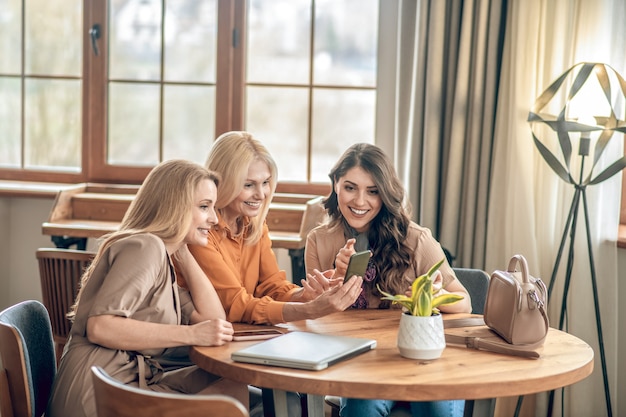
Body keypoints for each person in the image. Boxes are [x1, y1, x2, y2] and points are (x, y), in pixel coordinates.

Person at [46, 159, 249, 417]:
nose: (214, 218)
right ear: (174, 207)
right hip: (97, 394)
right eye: (204, 207)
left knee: (235, 386)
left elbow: (214, 322)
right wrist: (192, 335)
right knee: (233, 397)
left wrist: (183, 251)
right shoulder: (146, 248)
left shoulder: (164, 257)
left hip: (126, 383)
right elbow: (101, 326)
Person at [305, 143, 471, 417]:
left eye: (372, 191)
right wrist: (336, 277)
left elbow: (464, 302)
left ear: (385, 194)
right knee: (361, 408)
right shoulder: (319, 241)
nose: (360, 201)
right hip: (360, 363)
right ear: (336, 184)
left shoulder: (417, 239)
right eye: (350, 187)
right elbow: (311, 317)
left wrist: (431, 294)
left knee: (437, 407)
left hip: (419, 359)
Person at [180, 131, 363, 325]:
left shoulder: (254, 225)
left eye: (265, 182)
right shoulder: (201, 231)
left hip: (240, 333)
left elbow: (272, 286)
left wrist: (303, 294)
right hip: (198, 345)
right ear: (222, 183)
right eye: (249, 185)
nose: (261, 194)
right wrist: (308, 310)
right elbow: (234, 304)